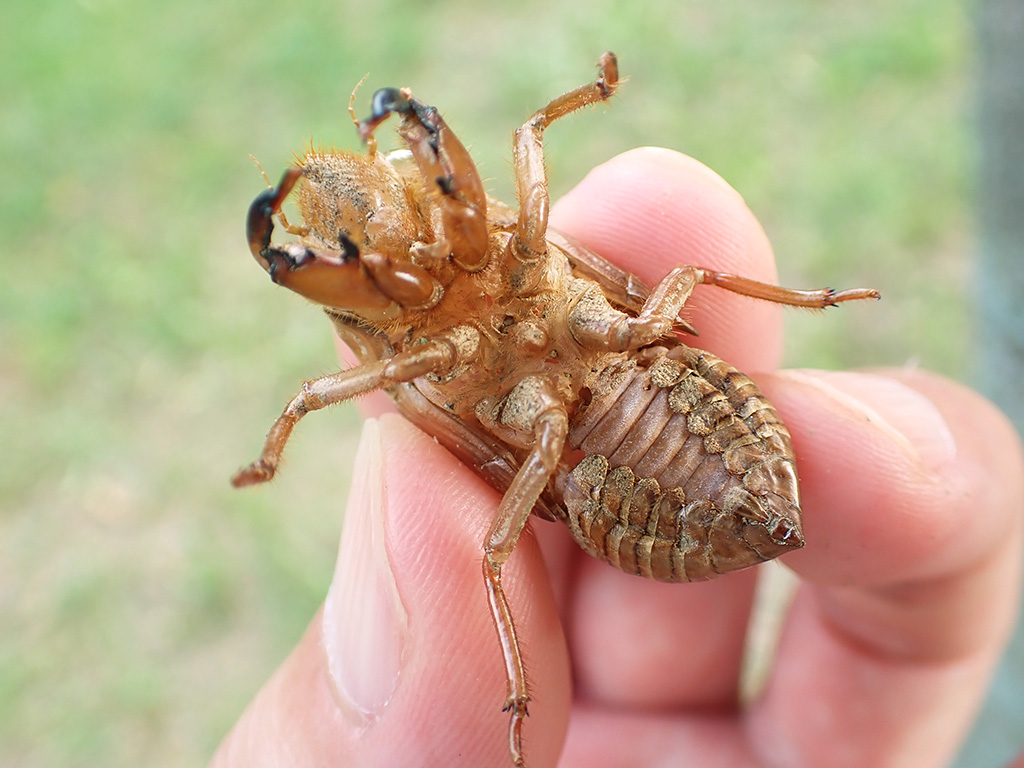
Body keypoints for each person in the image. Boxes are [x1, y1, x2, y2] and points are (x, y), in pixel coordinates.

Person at [211, 148, 1024, 768]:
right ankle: (518, 695)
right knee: (492, 549)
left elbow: (533, 153)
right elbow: (322, 392)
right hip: (599, 464)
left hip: (660, 394)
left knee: (684, 270)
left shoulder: (502, 248)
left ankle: (527, 694)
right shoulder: (410, 354)